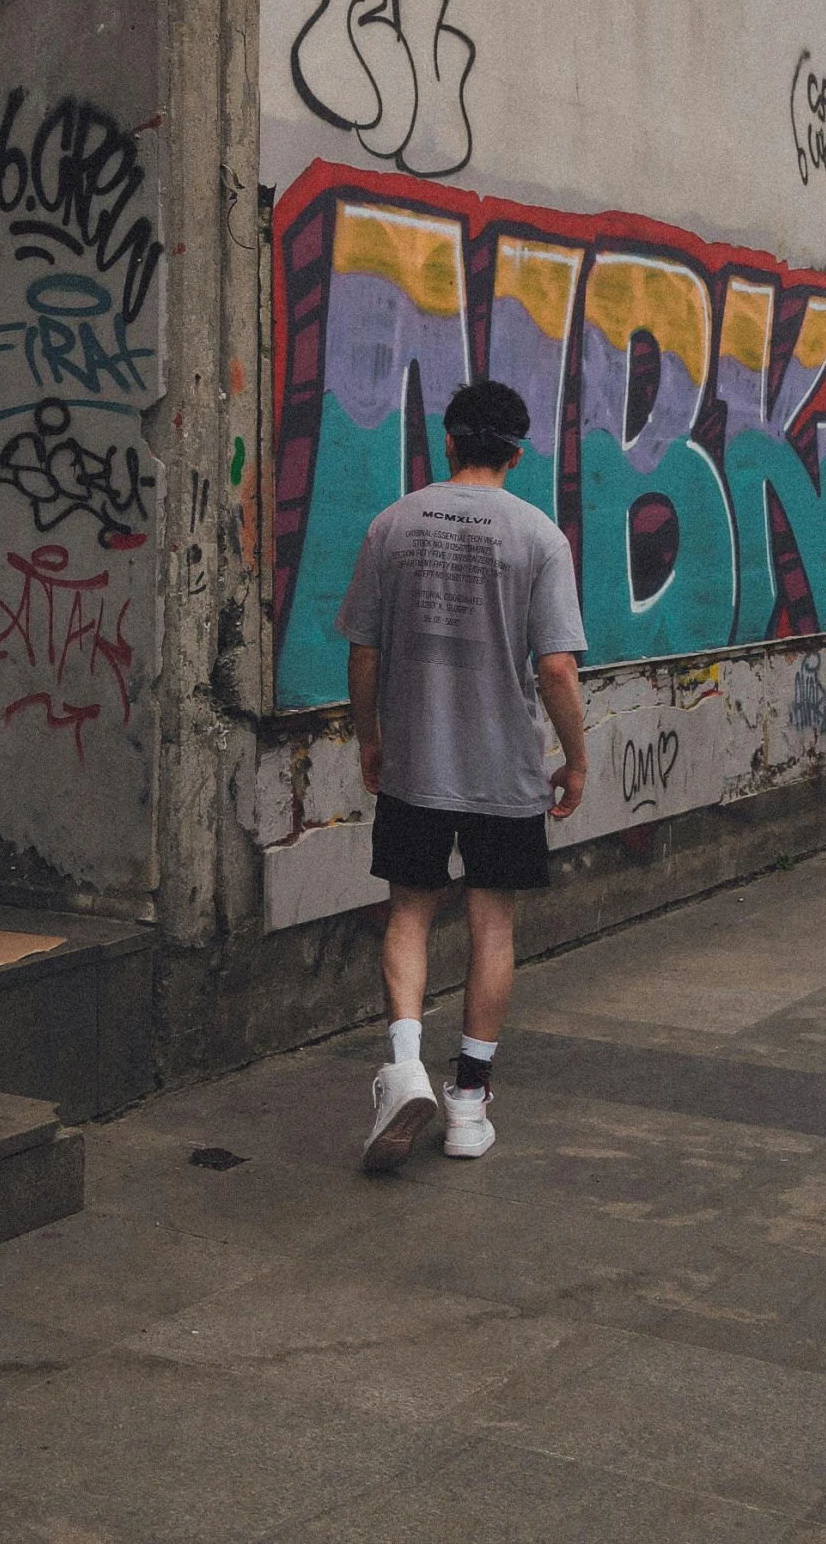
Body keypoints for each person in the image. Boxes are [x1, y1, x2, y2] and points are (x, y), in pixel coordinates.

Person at [336, 376, 588, 1170]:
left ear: (448, 442)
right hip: (502, 764)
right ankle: (468, 1103)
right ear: (517, 452)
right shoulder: (539, 536)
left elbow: (364, 650)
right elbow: (554, 668)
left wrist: (370, 737)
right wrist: (575, 759)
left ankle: (403, 1064)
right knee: (491, 923)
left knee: (408, 912)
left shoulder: (392, 524)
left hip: (414, 758)